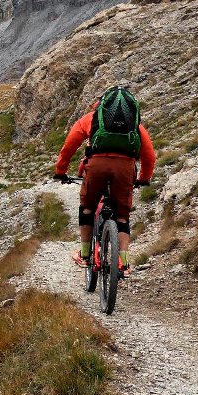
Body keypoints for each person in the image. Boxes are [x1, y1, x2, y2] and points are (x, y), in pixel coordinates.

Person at [53, 85, 155, 277]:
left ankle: (84, 255)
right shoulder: (135, 125)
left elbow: (68, 148)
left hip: (97, 166)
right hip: (125, 169)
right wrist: (143, 179)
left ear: (101, 105)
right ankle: (123, 265)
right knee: (122, 217)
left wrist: (61, 172)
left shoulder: (90, 119)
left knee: (87, 208)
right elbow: (149, 157)